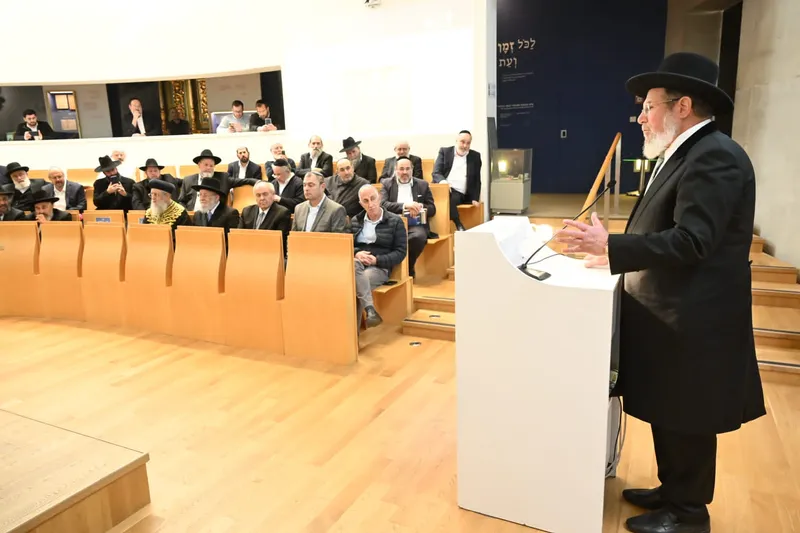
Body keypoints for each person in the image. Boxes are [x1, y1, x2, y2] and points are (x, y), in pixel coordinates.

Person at [556, 52, 766, 533]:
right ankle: (673, 491)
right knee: (672, 411)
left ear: (683, 106)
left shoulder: (713, 156)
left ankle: (688, 514)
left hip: (695, 319)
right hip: (675, 315)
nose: (641, 118)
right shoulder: (686, 152)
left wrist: (613, 247)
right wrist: (614, 255)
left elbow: (693, 240)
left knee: (688, 417)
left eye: (648, 107)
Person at [432, 130, 482, 231]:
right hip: (444, 188)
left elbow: (477, 180)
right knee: (443, 196)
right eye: (462, 142)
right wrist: (444, 184)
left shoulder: (475, 156)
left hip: (460, 193)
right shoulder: (445, 152)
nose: (465, 146)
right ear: (456, 140)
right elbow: (436, 173)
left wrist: (475, 198)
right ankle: (458, 224)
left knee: (449, 199)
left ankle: (457, 225)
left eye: (468, 143)